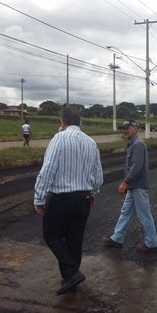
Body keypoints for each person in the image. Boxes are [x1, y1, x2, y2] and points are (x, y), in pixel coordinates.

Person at [33, 107, 103, 296]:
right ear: (79, 123)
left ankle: (71, 273)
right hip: (83, 199)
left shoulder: (60, 138)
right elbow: (97, 173)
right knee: (75, 239)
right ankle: (71, 278)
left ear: (63, 122)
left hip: (61, 199)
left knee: (51, 234)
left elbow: (48, 169)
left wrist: (39, 197)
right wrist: (93, 191)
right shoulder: (91, 142)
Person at [102, 120, 157, 253]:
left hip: (137, 185)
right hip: (134, 186)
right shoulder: (133, 143)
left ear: (135, 129)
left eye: (128, 128)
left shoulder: (138, 144)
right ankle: (117, 238)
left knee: (144, 215)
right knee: (126, 212)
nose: (125, 130)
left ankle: (152, 243)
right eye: (124, 128)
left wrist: (125, 182)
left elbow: (136, 166)